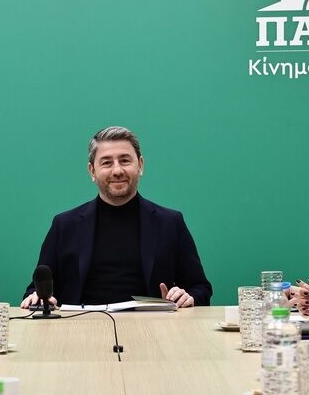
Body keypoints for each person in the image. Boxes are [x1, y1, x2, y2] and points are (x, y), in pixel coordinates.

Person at [21, 126, 212, 308]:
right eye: (106, 163)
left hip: (152, 326)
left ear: (140, 165)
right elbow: (36, 291)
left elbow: (201, 288)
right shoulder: (64, 225)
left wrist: (188, 297)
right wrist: (38, 298)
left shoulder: (170, 223)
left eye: (125, 161)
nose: (117, 171)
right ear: (92, 171)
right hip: (80, 326)